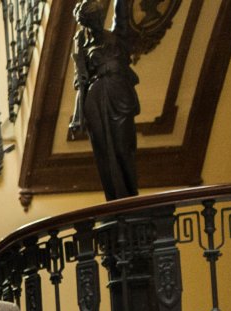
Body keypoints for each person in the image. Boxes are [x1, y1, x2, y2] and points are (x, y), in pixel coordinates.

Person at [69, 0, 140, 200]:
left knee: (123, 148)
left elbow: (122, 11)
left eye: (99, 17)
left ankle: (131, 199)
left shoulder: (118, 35)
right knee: (103, 153)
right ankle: (114, 201)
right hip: (95, 99)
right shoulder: (82, 42)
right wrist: (77, 117)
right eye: (93, 19)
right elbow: (81, 82)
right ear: (86, 22)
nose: (98, 21)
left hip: (119, 95)